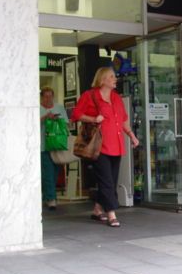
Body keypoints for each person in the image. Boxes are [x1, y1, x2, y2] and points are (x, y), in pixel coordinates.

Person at [72, 67, 139, 227]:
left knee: (111, 181)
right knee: (107, 181)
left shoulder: (116, 98)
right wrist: (93, 118)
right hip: (99, 146)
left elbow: (123, 120)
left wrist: (132, 135)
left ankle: (97, 209)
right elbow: (76, 115)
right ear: (102, 80)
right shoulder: (90, 96)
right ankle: (111, 214)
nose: (115, 79)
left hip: (116, 145)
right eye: (111, 76)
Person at [40, 87, 69, 210]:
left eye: (50, 96)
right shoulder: (38, 109)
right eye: (45, 96)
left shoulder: (59, 108)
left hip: (58, 145)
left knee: (55, 172)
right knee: (48, 173)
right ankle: (51, 199)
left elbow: (66, 124)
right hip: (43, 145)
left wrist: (58, 120)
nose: (48, 99)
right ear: (42, 97)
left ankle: (47, 197)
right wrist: (45, 118)